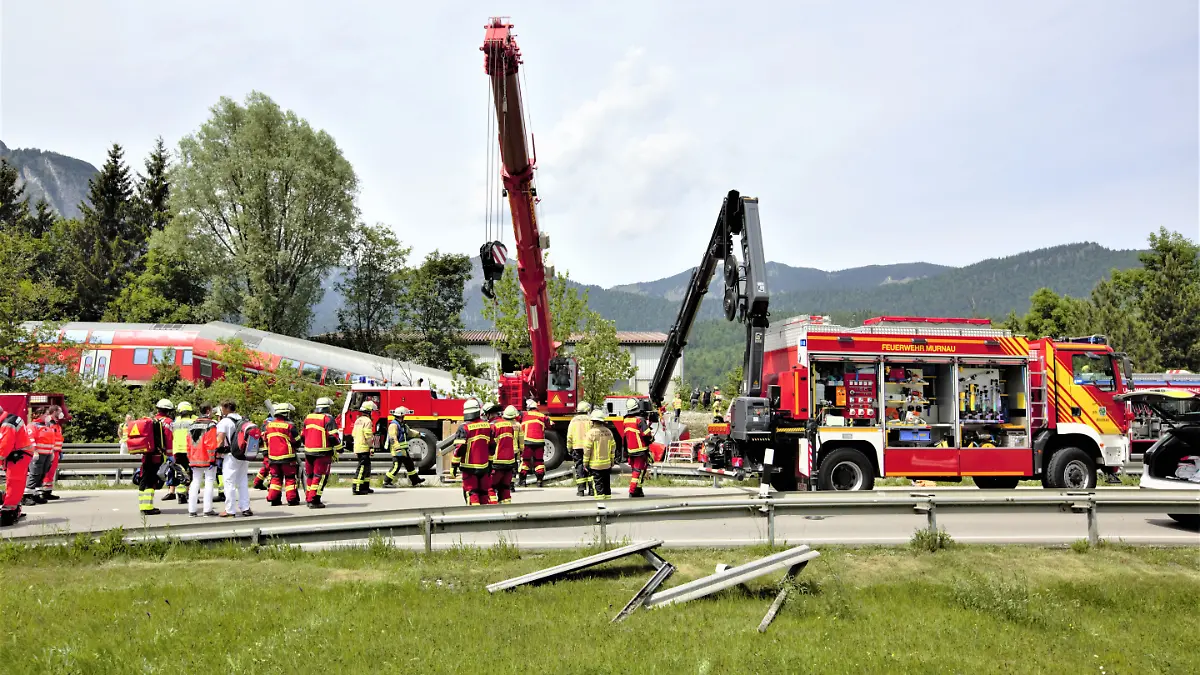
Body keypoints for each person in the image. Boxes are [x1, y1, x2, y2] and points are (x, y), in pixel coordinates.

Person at [450, 399, 493, 506]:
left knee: (472, 493)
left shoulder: (464, 427)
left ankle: (474, 513)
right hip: (484, 466)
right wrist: (490, 463)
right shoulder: (487, 425)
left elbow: (459, 449)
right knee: (483, 493)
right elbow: (492, 446)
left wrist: (454, 465)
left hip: (469, 467)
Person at [301, 397, 341, 509]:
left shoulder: (308, 417)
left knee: (310, 476)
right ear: (327, 407)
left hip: (308, 452)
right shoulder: (328, 419)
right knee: (320, 477)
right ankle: (314, 500)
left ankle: (308, 497)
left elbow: (303, 436)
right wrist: (339, 448)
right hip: (323, 453)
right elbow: (333, 437)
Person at [217, 400, 253, 518]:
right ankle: (245, 508)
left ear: (226, 408)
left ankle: (230, 510)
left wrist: (216, 452)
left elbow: (220, 440)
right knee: (242, 481)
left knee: (229, 482)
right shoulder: (243, 420)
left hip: (231, 455)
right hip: (244, 454)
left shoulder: (225, 422)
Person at [22, 406, 63, 505]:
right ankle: (26, 496)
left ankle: (36, 494)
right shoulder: (33, 426)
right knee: (35, 474)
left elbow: (51, 440)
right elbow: (31, 439)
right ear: (40, 415)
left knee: (42, 474)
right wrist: (35, 451)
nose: (47, 416)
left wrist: (52, 452)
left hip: (47, 454)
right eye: (46, 414)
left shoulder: (46, 426)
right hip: (38, 454)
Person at [264, 403, 302, 506]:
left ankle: (274, 499)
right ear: (286, 414)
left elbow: (265, 440)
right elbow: (297, 441)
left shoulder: (268, 426)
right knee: (290, 478)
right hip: (287, 457)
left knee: (275, 478)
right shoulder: (289, 426)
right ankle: (292, 500)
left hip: (273, 457)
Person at [186, 404, 219, 517]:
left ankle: (192, 510)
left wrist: (190, 457)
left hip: (194, 458)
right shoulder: (210, 425)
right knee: (209, 482)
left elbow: (188, 443)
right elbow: (211, 444)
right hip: (206, 458)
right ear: (208, 411)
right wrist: (212, 458)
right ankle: (207, 510)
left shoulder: (192, 425)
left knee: (195, 482)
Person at [1, 409, 33, 525]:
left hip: (18, 456)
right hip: (18, 454)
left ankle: (8, 513)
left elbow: (4, 448)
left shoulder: (7, 424)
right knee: (15, 484)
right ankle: (13, 508)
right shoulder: (9, 419)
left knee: (14, 483)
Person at [382, 407, 425, 488]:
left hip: (403, 450)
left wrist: (419, 434)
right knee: (396, 466)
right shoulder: (394, 425)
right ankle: (386, 482)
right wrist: (397, 448)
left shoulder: (402, 425)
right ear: (401, 416)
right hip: (397, 450)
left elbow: (410, 432)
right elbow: (393, 438)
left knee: (410, 465)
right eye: (404, 415)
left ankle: (415, 481)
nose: (405, 416)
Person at [622, 399, 654, 498]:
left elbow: (626, 437)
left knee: (637, 471)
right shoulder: (639, 420)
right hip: (641, 450)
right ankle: (632, 491)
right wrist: (651, 438)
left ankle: (638, 490)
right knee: (638, 472)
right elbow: (647, 434)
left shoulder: (625, 420)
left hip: (631, 451)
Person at [489, 405, 520, 504]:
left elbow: (490, 445)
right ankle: (506, 509)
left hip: (497, 461)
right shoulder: (512, 425)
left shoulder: (493, 426)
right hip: (510, 459)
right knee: (505, 488)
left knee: (490, 487)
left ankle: (492, 508)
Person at [584, 407, 614, 500]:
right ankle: (608, 503)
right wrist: (612, 460)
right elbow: (613, 448)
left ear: (593, 421)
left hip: (595, 465)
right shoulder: (609, 432)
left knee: (598, 486)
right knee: (606, 485)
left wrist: (585, 463)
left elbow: (587, 449)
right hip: (607, 464)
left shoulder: (591, 433)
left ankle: (601, 505)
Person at [169, 401, 196, 503]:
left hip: (177, 450)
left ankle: (180, 495)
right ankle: (189, 493)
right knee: (190, 472)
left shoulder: (175, 422)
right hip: (189, 450)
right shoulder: (193, 421)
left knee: (180, 472)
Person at [517, 399, 547, 488]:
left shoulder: (524, 414)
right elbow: (551, 424)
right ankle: (539, 481)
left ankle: (522, 481)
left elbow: (515, 418)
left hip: (527, 441)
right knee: (539, 461)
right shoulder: (542, 415)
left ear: (528, 408)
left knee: (525, 461)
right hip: (539, 442)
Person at [38, 406, 66, 501]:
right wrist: (52, 451)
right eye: (60, 411)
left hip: (56, 451)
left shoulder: (56, 423)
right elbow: (48, 437)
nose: (61, 413)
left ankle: (47, 491)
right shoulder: (49, 422)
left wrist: (60, 450)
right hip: (51, 451)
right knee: (47, 472)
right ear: (54, 412)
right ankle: (43, 492)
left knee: (51, 472)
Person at [566, 402, 593, 497]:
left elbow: (569, 436)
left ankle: (581, 490)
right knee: (590, 466)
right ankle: (591, 490)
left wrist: (569, 448)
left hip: (577, 447)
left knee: (579, 467)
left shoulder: (573, 421)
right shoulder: (590, 420)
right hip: (588, 447)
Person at [351, 400, 377, 495]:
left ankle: (365, 487)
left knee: (367, 467)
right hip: (364, 447)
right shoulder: (368, 421)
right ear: (369, 411)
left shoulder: (358, 420)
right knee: (362, 468)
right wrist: (371, 447)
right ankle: (357, 488)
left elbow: (353, 434)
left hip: (358, 446)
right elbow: (368, 435)